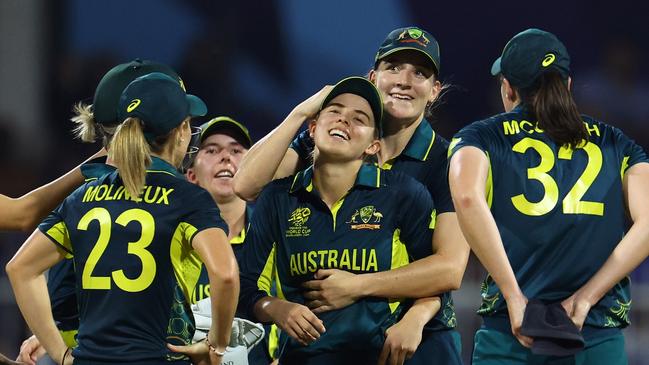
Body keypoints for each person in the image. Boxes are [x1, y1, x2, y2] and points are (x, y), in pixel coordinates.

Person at [233, 27, 468, 364]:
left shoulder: (446, 161)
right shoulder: (333, 140)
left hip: (420, 330)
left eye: (419, 72)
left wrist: (361, 288)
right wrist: (302, 112)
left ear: (434, 91)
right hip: (334, 335)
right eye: (393, 67)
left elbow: (449, 268)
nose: (404, 80)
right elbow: (246, 186)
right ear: (373, 77)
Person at [6, 72, 239, 365]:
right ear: (181, 131)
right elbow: (226, 274)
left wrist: (61, 355)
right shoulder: (186, 197)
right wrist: (216, 344)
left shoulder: (82, 197)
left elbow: (21, 268)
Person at [447, 28, 649, 365]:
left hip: (510, 336)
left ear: (508, 88)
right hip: (595, 335)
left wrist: (513, 296)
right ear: (567, 85)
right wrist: (586, 298)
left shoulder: (482, 136)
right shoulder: (616, 142)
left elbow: (467, 198)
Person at [185, 116, 271, 364]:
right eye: (211, 150)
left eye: (236, 150)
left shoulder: (274, 234)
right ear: (191, 175)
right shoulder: (172, 239)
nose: (225, 157)